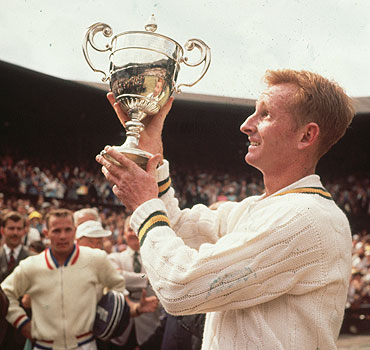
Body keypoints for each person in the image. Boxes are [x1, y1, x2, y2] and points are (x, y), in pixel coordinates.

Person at [96, 69, 355, 349]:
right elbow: (178, 228)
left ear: (306, 136)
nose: (246, 124)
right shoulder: (258, 208)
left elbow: (179, 286)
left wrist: (145, 204)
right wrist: (151, 156)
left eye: (265, 114)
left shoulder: (305, 216)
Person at [1, 208, 127, 350]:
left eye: (67, 230)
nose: (62, 236)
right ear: (46, 233)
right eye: (56, 231)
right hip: (45, 345)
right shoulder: (32, 264)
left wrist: (103, 311)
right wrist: (22, 323)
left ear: (74, 231)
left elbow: (119, 287)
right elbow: (6, 293)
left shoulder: (96, 259)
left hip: (84, 344)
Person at [108, 216, 162, 349]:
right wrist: (147, 278)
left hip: (149, 329)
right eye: (129, 229)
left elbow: (122, 277)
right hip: (120, 332)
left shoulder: (157, 259)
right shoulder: (114, 258)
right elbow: (116, 276)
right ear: (124, 233)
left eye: (137, 229)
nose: (133, 233)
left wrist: (128, 278)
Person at [0, 211, 33, 350]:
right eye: (11, 228)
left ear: (24, 231)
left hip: (21, 330)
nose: (15, 233)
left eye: (19, 229)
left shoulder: (34, 260)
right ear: (2, 230)